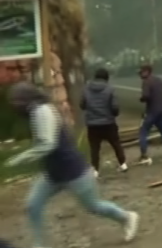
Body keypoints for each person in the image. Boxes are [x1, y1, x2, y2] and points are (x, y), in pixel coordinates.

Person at [5, 82, 138, 247]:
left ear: (24, 100)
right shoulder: (36, 111)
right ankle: (39, 245)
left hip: (74, 172)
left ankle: (127, 217)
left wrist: (21, 158)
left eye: (15, 102)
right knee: (33, 205)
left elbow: (47, 144)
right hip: (53, 173)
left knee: (94, 206)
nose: (14, 106)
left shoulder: (42, 111)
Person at [80, 67, 127, 177]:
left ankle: (95, 170)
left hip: (92, 124)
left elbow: (82, 105)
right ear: (107, 78)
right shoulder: (110, 89)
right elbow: (115, 107)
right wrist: (113, 114)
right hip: (108, 123)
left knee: (95, 147)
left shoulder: (86, 89)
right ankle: (123, 164)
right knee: (115, 143)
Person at [138, 64, 162, 164]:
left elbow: (146, 96)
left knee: (143, 131)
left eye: (141, 72)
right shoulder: (158, 80)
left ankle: (144, 155)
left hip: (152, 111)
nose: (140, 74)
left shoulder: (146, 82)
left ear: (146, 71)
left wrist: (141, 99)